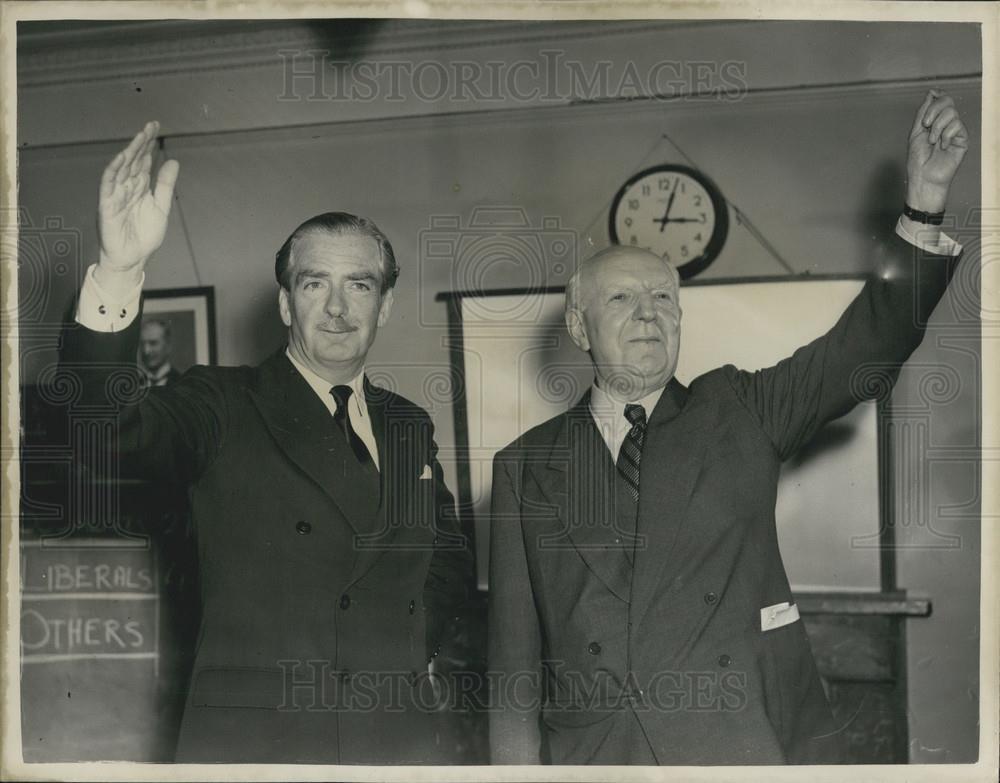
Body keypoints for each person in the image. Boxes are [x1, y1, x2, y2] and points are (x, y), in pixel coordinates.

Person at [488, 90, 969, 764]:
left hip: (732, 747)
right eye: (621, 298)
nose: (649, 314)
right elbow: (513, 671)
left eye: (663, 298)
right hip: (597, 758)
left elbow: (862, 348)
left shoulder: (738, 410)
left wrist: (922, 205)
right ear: (578, 326)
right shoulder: (524, 465)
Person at [60, 121, 473, 764]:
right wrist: (120, 269)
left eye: (359, 285)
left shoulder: (408, 424)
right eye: (315, 284)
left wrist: (406, 655)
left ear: (385, 306)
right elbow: (105, 436)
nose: (337, 308)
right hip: (260, 744)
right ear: (286, 305)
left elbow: (444, 556)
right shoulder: (221, 403)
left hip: (392, 741)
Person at [138, 317, 181, 386]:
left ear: (168, 346)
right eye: (142, 344)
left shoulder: (182, 383)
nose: (146, 351)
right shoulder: (132, 384)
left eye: (153, 343)